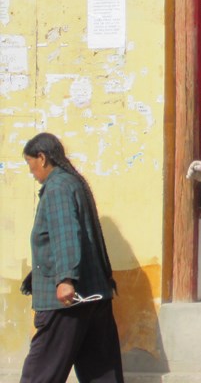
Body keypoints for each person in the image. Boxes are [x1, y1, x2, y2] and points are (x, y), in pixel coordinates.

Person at [20, 132, 125, 383]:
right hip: (94, 293)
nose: (31, 172)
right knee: (101, 370)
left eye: (30, 164)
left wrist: (65, 279)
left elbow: (65, 233)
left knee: (41, 371)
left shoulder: (57, 187)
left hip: (67, 301)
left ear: (42, 158)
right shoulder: (72, 183)